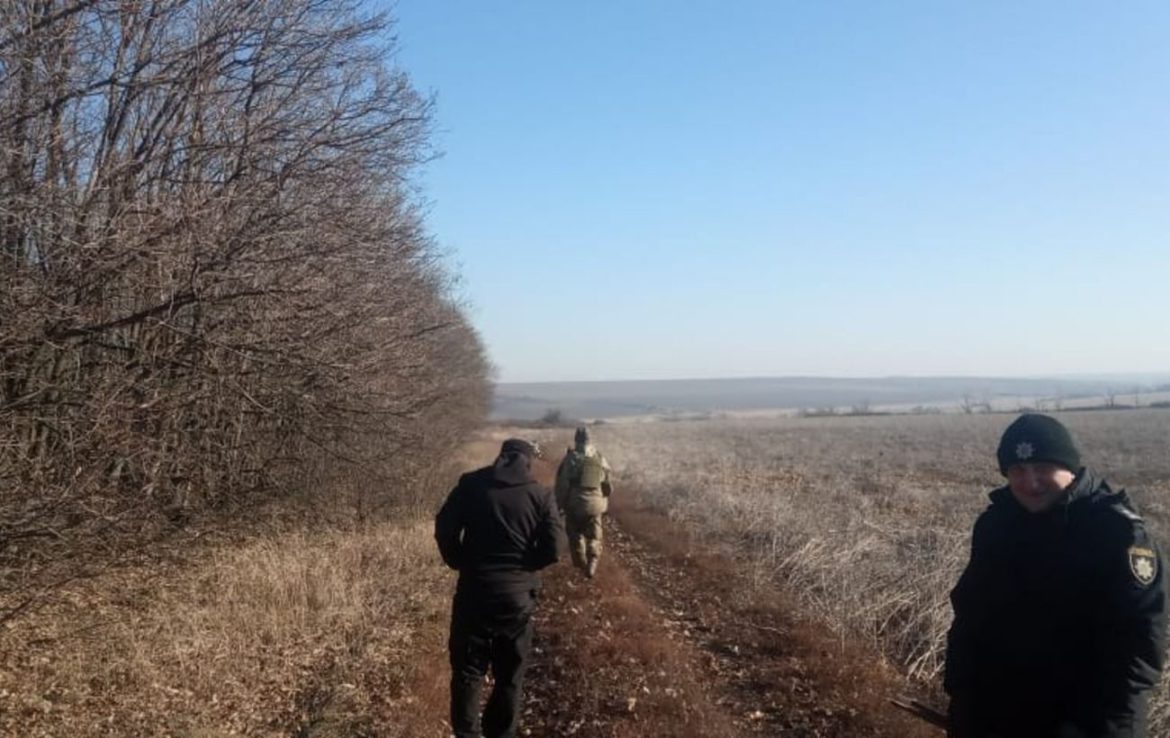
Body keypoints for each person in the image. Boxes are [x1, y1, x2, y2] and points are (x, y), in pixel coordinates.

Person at [944, 413, 1167, 738]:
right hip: (996, 716)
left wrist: (1090, 726)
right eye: (1017, 470)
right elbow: (970, 614)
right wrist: (961, 694)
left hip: (1087, 724)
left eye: (1043, 468)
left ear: (1071, 468)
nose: (1030, 482)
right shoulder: (996, 525)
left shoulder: (1116, 533)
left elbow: (1139, 648)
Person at [434, 438, 561, 738]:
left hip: (474, 591)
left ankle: (467, 734)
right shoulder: (540, 496)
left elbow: (444, 527)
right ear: (528, 462)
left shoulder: (471, 485)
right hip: (517, 599)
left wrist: (459, 560)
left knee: (468, 672)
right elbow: (555, 548)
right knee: (509, 676)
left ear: (501, 457)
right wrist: (528, 566)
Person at [555, 426, 613, 579]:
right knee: (595, 536)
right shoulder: (599, 457)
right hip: (596, 504)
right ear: (590, 439)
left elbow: (562, 486)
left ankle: (581, 565)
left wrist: (559, 505)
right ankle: (593, 560)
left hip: (575, 504)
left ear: (576, 440)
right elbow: (608, 485)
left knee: (575, 535)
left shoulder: (570, 458)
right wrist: (603, 500)